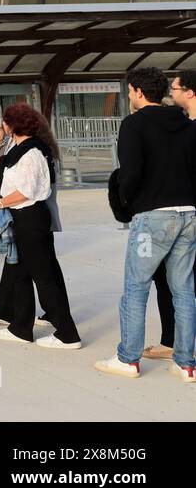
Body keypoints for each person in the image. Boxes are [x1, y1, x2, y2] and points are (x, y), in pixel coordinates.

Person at [96, 67, 196, 381]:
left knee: (135, 289)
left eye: (129, 92)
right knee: (184, 291)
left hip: (152, 217)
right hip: (189, 213)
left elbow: (131, 171)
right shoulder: (184, 121)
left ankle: (128, 358)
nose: (128, 97)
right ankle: (185, 362)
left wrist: (126, 202)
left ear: (139, 91)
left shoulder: (133, 125)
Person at [0, 103, 81, 349]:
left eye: (5, 121)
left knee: (44, 277)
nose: (2, 125)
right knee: (22, 274)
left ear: (13, 125)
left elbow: (27, 191)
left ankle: (67, 334)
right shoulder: (23, 147)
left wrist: (0, 202)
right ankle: (21, 328)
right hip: (24, 217)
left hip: (30, 218)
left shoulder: (31, 152)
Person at [146, 70, 196, 360]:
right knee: (172, 277)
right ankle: (173, 340)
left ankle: (174, 342)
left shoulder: (188, 129)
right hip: (184, 212)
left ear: (189, 92)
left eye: (175, 88)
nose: (170, 93)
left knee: (172, 278)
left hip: (186, 213)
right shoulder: (182, 125)